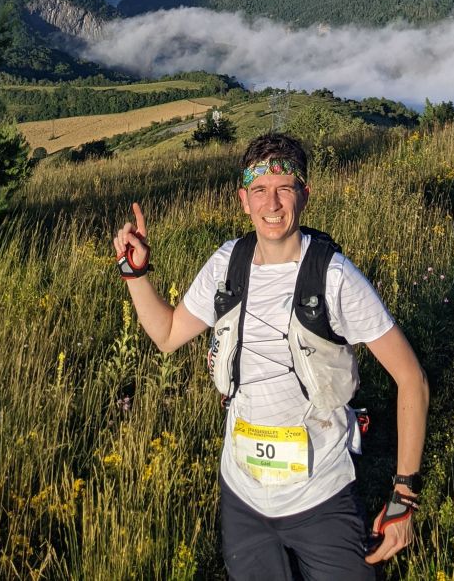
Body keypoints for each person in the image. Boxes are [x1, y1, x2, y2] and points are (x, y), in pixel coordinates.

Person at [112, 131, 429, 580]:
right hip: (242, 500)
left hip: (323, 498)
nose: (272, 204)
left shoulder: (334, 277)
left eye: (284, 188)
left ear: (305, 194)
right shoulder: (226, 264)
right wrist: (135, 272)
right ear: (244, 200)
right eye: (259, 191)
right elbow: (166, 335)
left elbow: (411, 378)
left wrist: (403, 497)